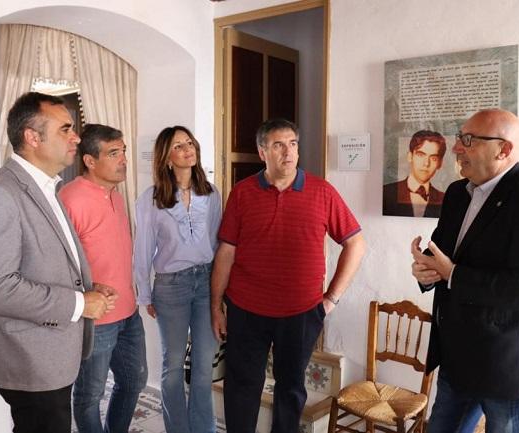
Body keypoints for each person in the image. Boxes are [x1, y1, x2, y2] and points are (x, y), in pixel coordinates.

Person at [0, 92, 115, 433]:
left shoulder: (45, 186)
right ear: (32, 137)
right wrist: (80, 303)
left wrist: (90, 290)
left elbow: (46, 260)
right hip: (29, 356)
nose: (76, 136)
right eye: (66, 129)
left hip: (51, 352)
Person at [411, 109, 519, 433]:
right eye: (459, 138)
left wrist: (451, 273)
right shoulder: (457, 193)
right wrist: (425, 267)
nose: (456, 149)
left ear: (503, 149)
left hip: (506, 365)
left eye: (468, 141)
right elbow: (444, 252)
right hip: (457, 356)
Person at [211, 118, 366, 433]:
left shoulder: (322, 192)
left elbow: (356, 243)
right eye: (279, 145)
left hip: (301, 312)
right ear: (262, 151)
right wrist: (216, 304)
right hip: (246, 309)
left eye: (293, 144)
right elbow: (226, 252)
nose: (288, 152)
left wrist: (331, 299)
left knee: (291, 388)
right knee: (241, 385)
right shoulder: (242, 193)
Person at [59, 124, 148, 433]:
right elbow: (56, 262)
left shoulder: (116, 195)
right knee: (89, 394)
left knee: (134, 380)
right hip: (97, 318)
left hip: (129, 312)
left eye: (123, 151)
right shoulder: (70, 199)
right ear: (90, 161)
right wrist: (86, 291)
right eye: (113, 153)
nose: (123, 159)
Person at [134, 126, 222, 433]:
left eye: (189, 143)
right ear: (167, 159)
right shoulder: (151, 199)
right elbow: (142, 250)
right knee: (172, 368)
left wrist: (220, 292)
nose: (187, 149)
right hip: (171, 286)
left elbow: (218, 245)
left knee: (202, 369)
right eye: (178, 146)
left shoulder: (211, 194)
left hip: (206, 283)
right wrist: (144, 295)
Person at [383, 130, 447, 217]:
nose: (426, 163)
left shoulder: (445, 199)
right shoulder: (387, 192)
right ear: (410, 156)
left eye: (433, 158)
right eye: (421, 155)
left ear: (440, 163)